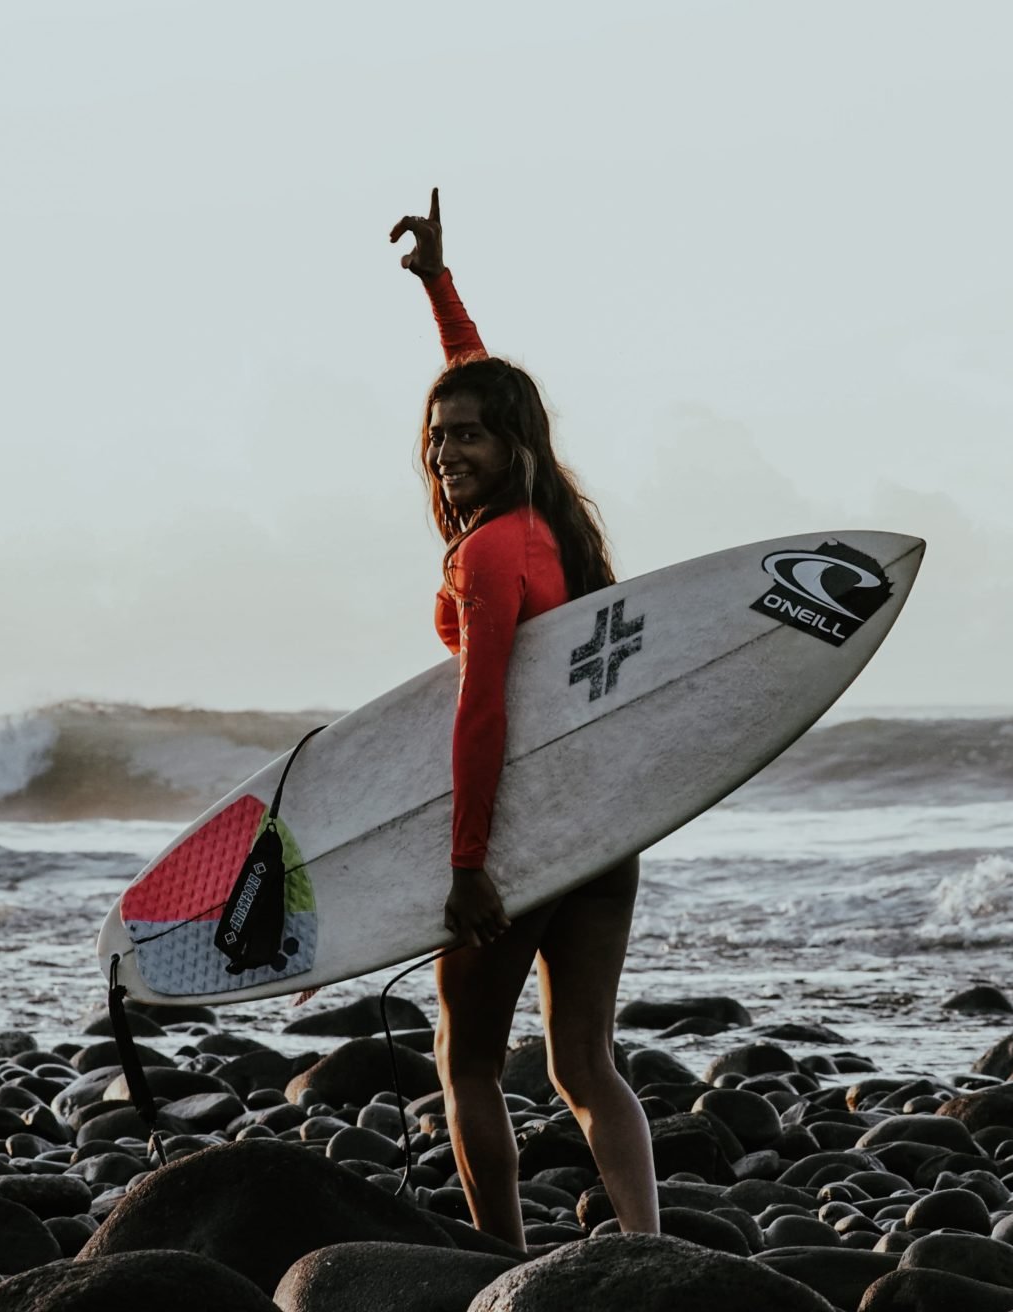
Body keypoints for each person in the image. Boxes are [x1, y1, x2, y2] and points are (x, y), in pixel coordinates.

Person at [389, 189, 658, 1248]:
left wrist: (468, 865)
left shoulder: (487, 553)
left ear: (511, 446)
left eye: (468, 438)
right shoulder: (552, 529)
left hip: (521, 835)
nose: (448, 448)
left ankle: (498, 1260)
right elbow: (487, 386)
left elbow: (483, 707)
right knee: (584, 1059)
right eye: (437, 434)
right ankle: (644, 1246)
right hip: (602, 827)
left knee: (466, 1060)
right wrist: (438, 288)